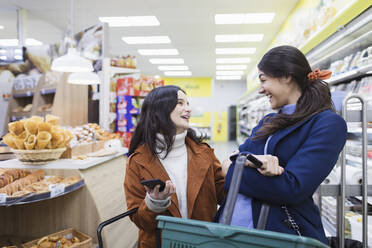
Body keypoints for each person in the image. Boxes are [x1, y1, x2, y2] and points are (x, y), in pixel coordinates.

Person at [216, 45, 347, 244]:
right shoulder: (268, 120)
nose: (260, 89)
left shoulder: (327, 123)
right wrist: (250, 162)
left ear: (286, 76)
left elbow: (292, 188)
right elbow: (230, 160)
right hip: (231, 230)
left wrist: (235, 168)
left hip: (281, 233)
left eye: (263, 80)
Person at [124, 85, 225, 248]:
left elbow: (225, 195)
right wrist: (154, 203)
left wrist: (239, 168)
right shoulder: (138, 161)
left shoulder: (205, 153)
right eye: (180, 103)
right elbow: (140, 220)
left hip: (204, 242)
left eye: (188, 103)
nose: (188, 109)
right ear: (159, 110)